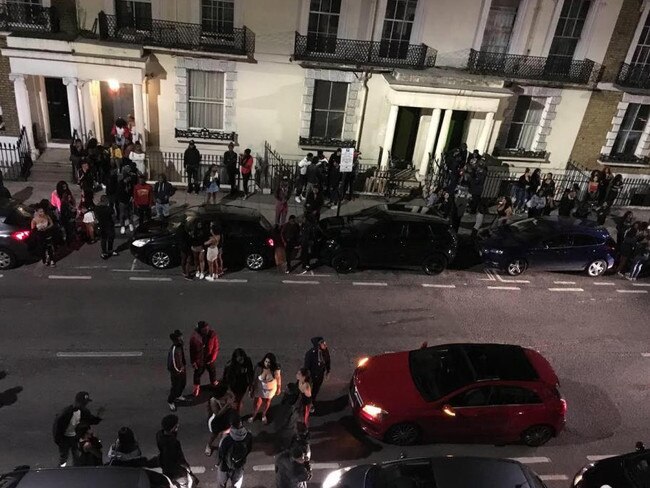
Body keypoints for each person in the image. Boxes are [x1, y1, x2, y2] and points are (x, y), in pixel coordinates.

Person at [53, 391, 103, 467]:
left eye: (85, 403)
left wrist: (98, 417)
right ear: (77, 402)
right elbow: (57, 427)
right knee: (64, 456)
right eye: (83, 403)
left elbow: (90, 420)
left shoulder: (84, 412)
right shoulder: (66, 413)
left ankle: (76, 470)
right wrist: (58, 440)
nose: (85, 405)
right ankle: (61, 469)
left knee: (76, 455)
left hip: (74, 437)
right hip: (64, 438)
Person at [216, 415, 253, 488]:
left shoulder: (227, 439)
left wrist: (219, 463)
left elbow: (221, 454)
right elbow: (249, 449)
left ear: (231, 425)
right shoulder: (248, 435)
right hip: (239, 466)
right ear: (241, 424)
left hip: (225, 466)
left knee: (221, 484)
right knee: (236, 485)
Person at [156, 414, 192, 488]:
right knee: (184, 481)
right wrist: (186, 466)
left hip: (164, 465)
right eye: (176, 425)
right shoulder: (173, 443)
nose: (178, 425)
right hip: (175, 468)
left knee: (170, 480)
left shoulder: (159, 434)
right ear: (172, 428)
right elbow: (178, 458)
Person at [190, 320, 220, 397]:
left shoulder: (212, 335)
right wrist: (193, 361)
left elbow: (215, 348)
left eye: (207, 328)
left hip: (209, 358)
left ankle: (213, 382)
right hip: (199, 360)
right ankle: (196, 387)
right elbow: (192, 350)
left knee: (212, 371)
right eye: (204, 329)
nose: (206, 330)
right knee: (197, 374)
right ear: (200, 330)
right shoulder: (195, 337)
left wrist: (212, 358)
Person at [250, 353, 282, 424]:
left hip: (270, 389)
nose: (267, 364)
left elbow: (278, 378)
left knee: (267, 402)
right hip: (259, 388)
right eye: (266, 361)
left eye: (269, 362)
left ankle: (264, 415)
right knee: (257, 402)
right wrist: (252, 388)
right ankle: (254, 415)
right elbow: (254, 378)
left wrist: (279, 388)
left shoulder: (276, 369)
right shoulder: (259, 367)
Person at [206, 387, 238, 456]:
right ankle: (208, 445)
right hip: (216, 420)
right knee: (214, 434)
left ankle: (222, 447)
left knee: (225, 434)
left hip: (227, 417)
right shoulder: (213, 400)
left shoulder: (228, 394)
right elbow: (218, 414)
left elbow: (233, 400)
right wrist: (227, 405)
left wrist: (232, 402)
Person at [222, 348, 255, 413]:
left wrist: (251, 385)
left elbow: (250, 373)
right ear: (235, 358)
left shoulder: (247, 361)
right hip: (234, 385)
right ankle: (235, 411)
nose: (241, 361)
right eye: (239, 359)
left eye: (242, 358)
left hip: (243, 384)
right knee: (235, 400)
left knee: (238, 399)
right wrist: (227, 387)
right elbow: (226, 377)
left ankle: (236, 412)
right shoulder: (230, 365)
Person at [303, 337, 330, 409]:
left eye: (324, 343)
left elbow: (328, 360)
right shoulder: (310, 354)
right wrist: (306, 377)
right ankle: (307, 403)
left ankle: (312, 401)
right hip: (312, 376)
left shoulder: (325, 351)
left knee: (316, 389)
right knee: (309, 391)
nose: (325, 345)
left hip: (320, 375)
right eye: (323, 343)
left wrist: (328, 371)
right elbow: (306, 367)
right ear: (318, 345)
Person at [50, 181, 76, 245]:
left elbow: (73, 201)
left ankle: (69, 239)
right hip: (61, 213)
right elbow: (53, 204)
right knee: (63, 227)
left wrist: (73, 208)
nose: (65, 188)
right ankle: (64, 239)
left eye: (65, 186)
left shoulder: (68, 193)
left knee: (70, 227)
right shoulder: (55, 193)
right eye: (63, 187)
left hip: (69, 212)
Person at [168, 329, 187, 412]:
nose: (182, 337)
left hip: (181, 369)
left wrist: (183, 365)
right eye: (181, 336)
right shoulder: (174, 348)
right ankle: (170, 401)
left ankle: (179, 395)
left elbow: (181, 357)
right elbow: (173, 362)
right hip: (176, 372)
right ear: (177, 338)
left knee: (183, 383)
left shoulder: (180, 345)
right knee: (175, 387)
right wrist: (178, 370)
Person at [95, 195, 118, 259]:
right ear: (106, 201)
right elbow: (114, 217)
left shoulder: (97, 208)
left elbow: (96, 217)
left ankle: (104, 252)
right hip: (109, 225)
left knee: (103, 239)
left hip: (101, 225)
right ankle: (110, 250)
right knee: (111, 238)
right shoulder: (109, 208)